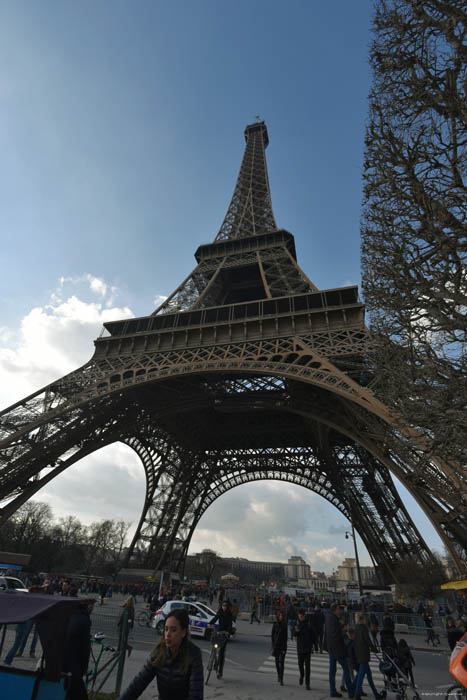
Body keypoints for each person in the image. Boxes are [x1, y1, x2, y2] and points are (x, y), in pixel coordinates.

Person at [118, 608, 203, 700]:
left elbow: (196, 694)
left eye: (173, 630)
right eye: (166, 629)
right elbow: (138, 683)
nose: (168, 634)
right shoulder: (159, 652)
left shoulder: (194, 655)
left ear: (183, 632)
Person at [62, 599, 94, 700]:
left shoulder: (70, 615)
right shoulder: (85, 619)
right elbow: (85, 647)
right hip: (74, 662)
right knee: (79, 693)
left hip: (63, 659)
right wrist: (84, 668)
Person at [324, 602, 354, 698]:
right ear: (335, 610)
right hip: (337, 649)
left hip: (331, 648)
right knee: (346, 669)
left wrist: (340, 626)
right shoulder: (333, 618)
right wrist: (343, 631)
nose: (339, 611)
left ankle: (333, 690)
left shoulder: (329, 617)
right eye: (338, 609)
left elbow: (332, 631)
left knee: (332, 670)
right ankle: (350, 691)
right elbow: (335, 634)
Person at [353, 613, 383, 700]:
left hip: (359, 653)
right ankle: (357, 694)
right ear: (363, 619)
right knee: (361, 675)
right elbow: (368, 640)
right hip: (364, 654)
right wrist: (374, 649)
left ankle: (375, 694)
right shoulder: (363, 628)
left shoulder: (356, 628)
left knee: (368, 675)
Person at [209, 599, 233, 679]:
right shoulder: (220, 612)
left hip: (224, 634)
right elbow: (215, 618)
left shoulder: (229, 614)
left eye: (226, 606)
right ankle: (212, 660)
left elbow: (230, 625)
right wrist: (210, 623)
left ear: (228, 607)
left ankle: (220, 670)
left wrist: (228, 633)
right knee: (214, 646)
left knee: (222, 652)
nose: (224, 607)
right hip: (219, 632)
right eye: (223, 605)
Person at [294, 609, 315, 690]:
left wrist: (315, 646)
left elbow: (313, 635)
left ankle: (307, 683)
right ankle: (302, 675)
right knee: (300, 665)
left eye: (301, 616)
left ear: (304, 616)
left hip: (307, 648)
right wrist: (296, 632)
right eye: (299, 616)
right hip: (300, 648)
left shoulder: (308, 624)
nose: (300, 618)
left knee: (308, 667)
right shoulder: (297, 624)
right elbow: (295, 634)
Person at [271, 609, 287, 685]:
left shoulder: (285, 625)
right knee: (277, 662)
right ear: (278, 616)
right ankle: (278, 674)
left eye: (282, 616)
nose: (281, 617)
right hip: (276, 646)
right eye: (280, 615)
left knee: (282, 663)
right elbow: (272, 635)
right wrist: (273, 646)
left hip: (282, 646)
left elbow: (285, 637)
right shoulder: (275, 624)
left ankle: (281, 678)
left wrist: (284, 648)